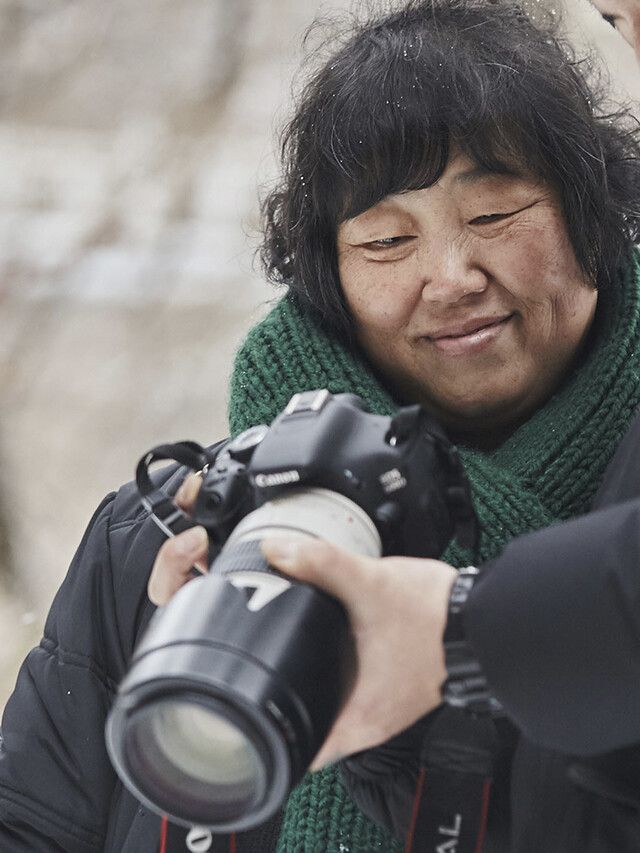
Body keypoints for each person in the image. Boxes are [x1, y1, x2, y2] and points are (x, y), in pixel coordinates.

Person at [2, 1, 640, 851]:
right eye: (384, 242)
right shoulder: (172, 535)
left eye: (492, 217)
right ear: (328, 280)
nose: (449, 278)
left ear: (592, 217)